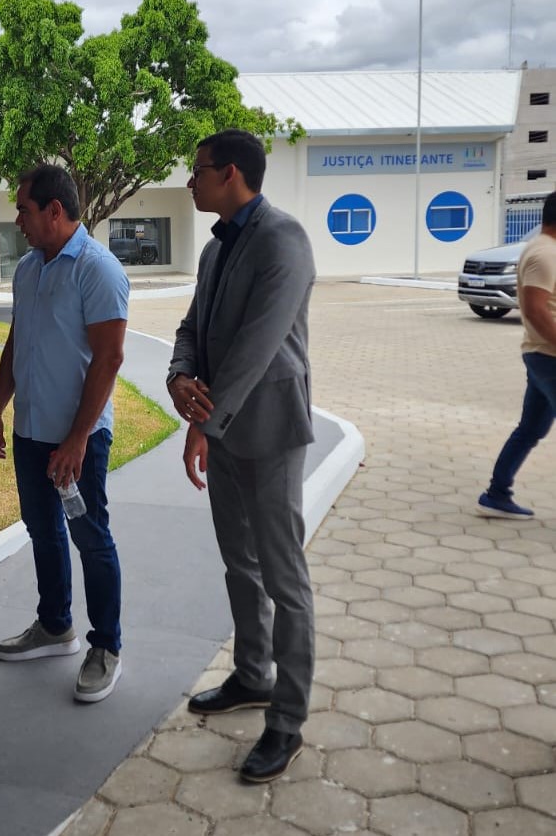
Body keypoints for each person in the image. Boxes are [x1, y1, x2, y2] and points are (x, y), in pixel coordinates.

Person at [167, 129, 316, 783]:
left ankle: (287, 719)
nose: (189, 182)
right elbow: (191, 331)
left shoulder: (283, 240)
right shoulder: (214, 247)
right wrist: (178, 380)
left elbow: (257, 347)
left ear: (230, 174)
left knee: (284, 580)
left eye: (196, 171)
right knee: (239, 565)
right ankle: (253, 675)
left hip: (271, 432)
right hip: (224, 430)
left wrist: (204, 421)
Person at [0, 164, 129, 703]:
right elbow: (18, 342)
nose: (16, 218)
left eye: (23, 208)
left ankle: (106, 646)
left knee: (90, 539)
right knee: (42, 531)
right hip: (30, 434)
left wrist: (76, 439)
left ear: (54, 210)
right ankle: (55, 625)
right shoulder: (27, 268)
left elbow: (109, 358)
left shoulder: (98, 269)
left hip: (79, 442)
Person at [478, 190, 556, 520]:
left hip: (540, 355)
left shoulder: (542, 249)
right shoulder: (546, 254)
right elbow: (536, 310)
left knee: (530, 430)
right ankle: (496, 492)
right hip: (550, 357)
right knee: (529, 430)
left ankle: (496, 494)